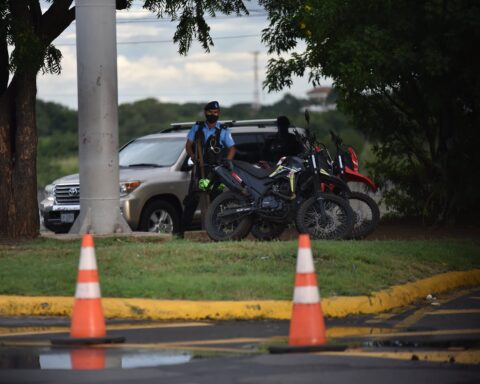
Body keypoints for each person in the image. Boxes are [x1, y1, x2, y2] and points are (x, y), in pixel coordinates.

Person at [179, 101, 236, 236]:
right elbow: (188, 145)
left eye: (216, 112)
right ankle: (181, 232)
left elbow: (232, 149)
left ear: (219, 113)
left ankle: (218, 231)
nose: (213, 115)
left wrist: (227, 162)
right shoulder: (197, 128)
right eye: (210, 112)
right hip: (199, 170)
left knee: (217, 201)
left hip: (217, 171)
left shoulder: (223, 130)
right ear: (206, 113)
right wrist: (193, 156)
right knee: (192, 200)